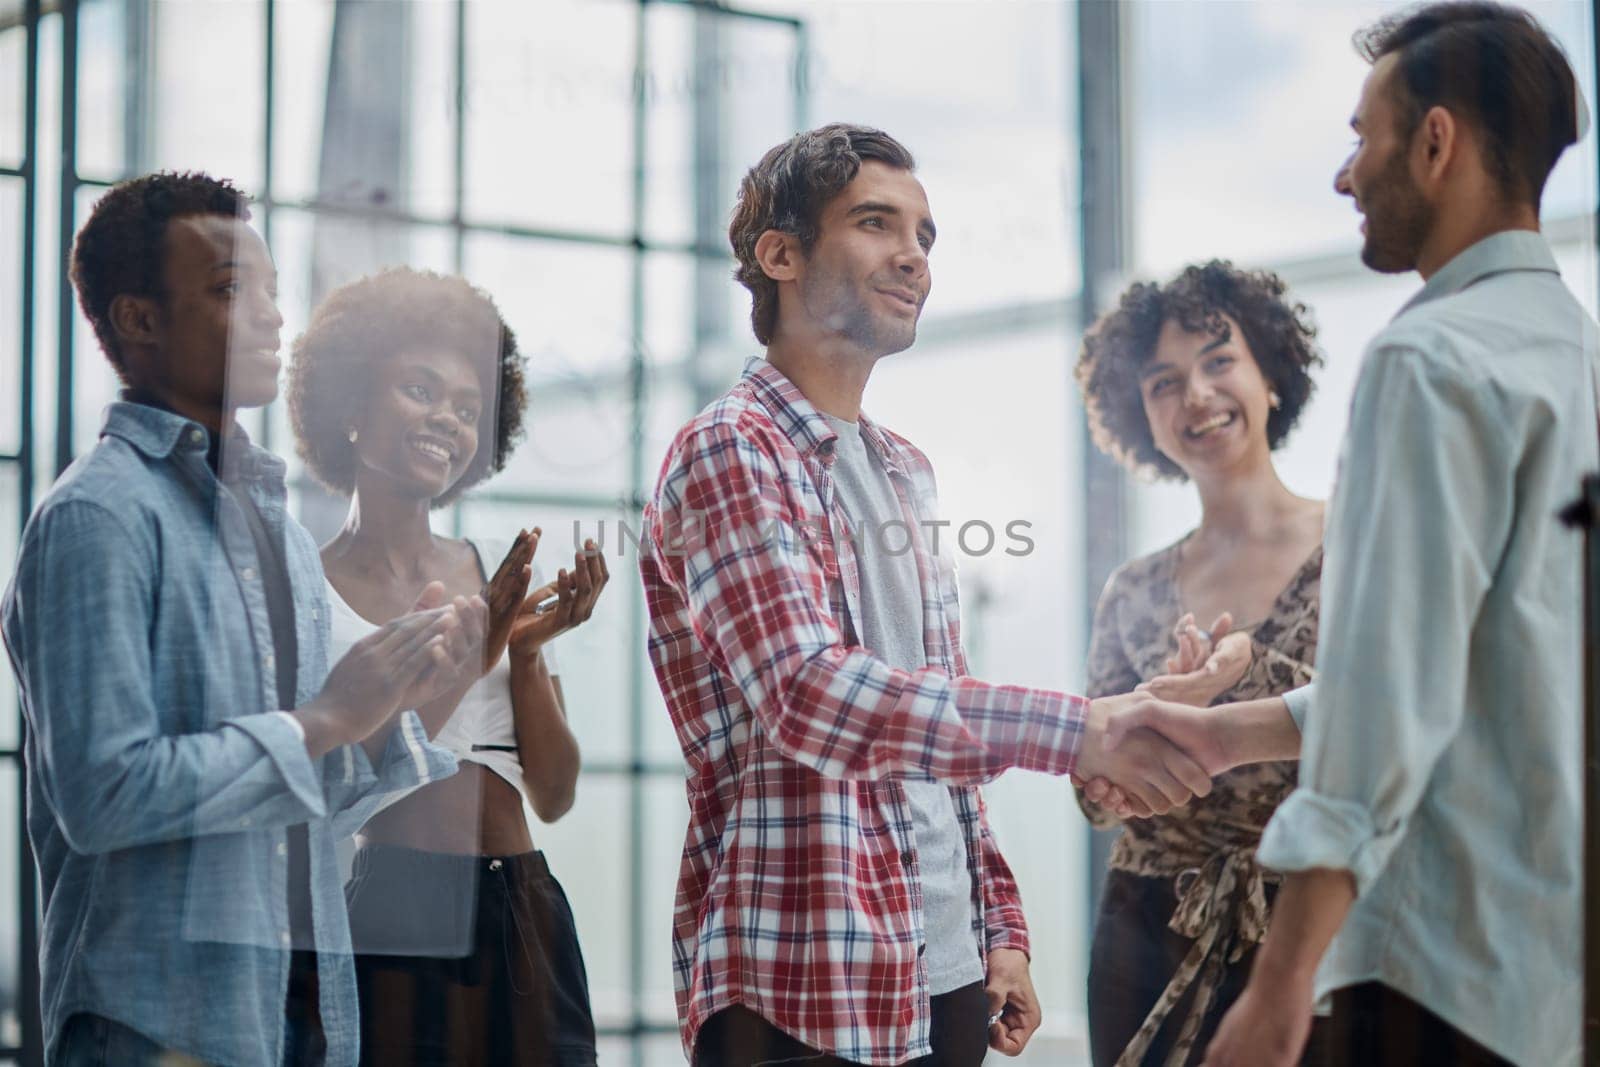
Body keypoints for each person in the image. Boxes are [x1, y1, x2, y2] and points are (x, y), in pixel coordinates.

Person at [640, 123, 1215, 1067]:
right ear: (778, 255)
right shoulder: (730, 449)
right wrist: (1080, 730)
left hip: (943, 978)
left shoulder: (905, 470)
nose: (914, 257)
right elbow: (809, 694)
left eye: (925, 235)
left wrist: (1000, 925)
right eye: (876, 223)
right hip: (802, 989)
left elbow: (936, 720)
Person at [1105, 5, 1594, 1064]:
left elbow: (1385, 701)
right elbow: (1472, 671)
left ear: (1434, 141)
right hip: (1541, 962)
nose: (1343, 177)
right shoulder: (1566, 349)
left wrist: (1278, 987)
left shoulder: (1428, 362)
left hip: (1431, 960)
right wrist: (1226, 730)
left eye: (1360, 137)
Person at [0, 172, 482, 1066]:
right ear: (138, 320)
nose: (269, 317)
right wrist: (328, 717)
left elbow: (301, 802)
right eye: (230, 290)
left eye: (268, 291)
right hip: (153, 1029)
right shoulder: (94, 518)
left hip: (297, 1019)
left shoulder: (279, 533)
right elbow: (102, 795)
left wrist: (396, 708)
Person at [287, 267, 608, 1066]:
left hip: (526, 903)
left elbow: (557, 792)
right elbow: (330, 785)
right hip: (395, 904)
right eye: (420, 390)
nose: (449, 420)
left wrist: (524, 652)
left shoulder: (494, 573)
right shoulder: (309, 589)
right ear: (351, 406)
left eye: (469, 408)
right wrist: (480, 651)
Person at [1072, 261, 1328, 1066]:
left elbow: (1397, 725)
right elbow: (1094, 793)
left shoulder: (1364, 545)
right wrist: (1147, 714)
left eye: (1220, 361)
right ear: (1140, 417)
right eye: (1163, 382)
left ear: (1271, 375)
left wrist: (1243, 678)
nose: (1197, 396)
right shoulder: (1132, 589)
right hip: (1144, 931)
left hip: (1314, 921)